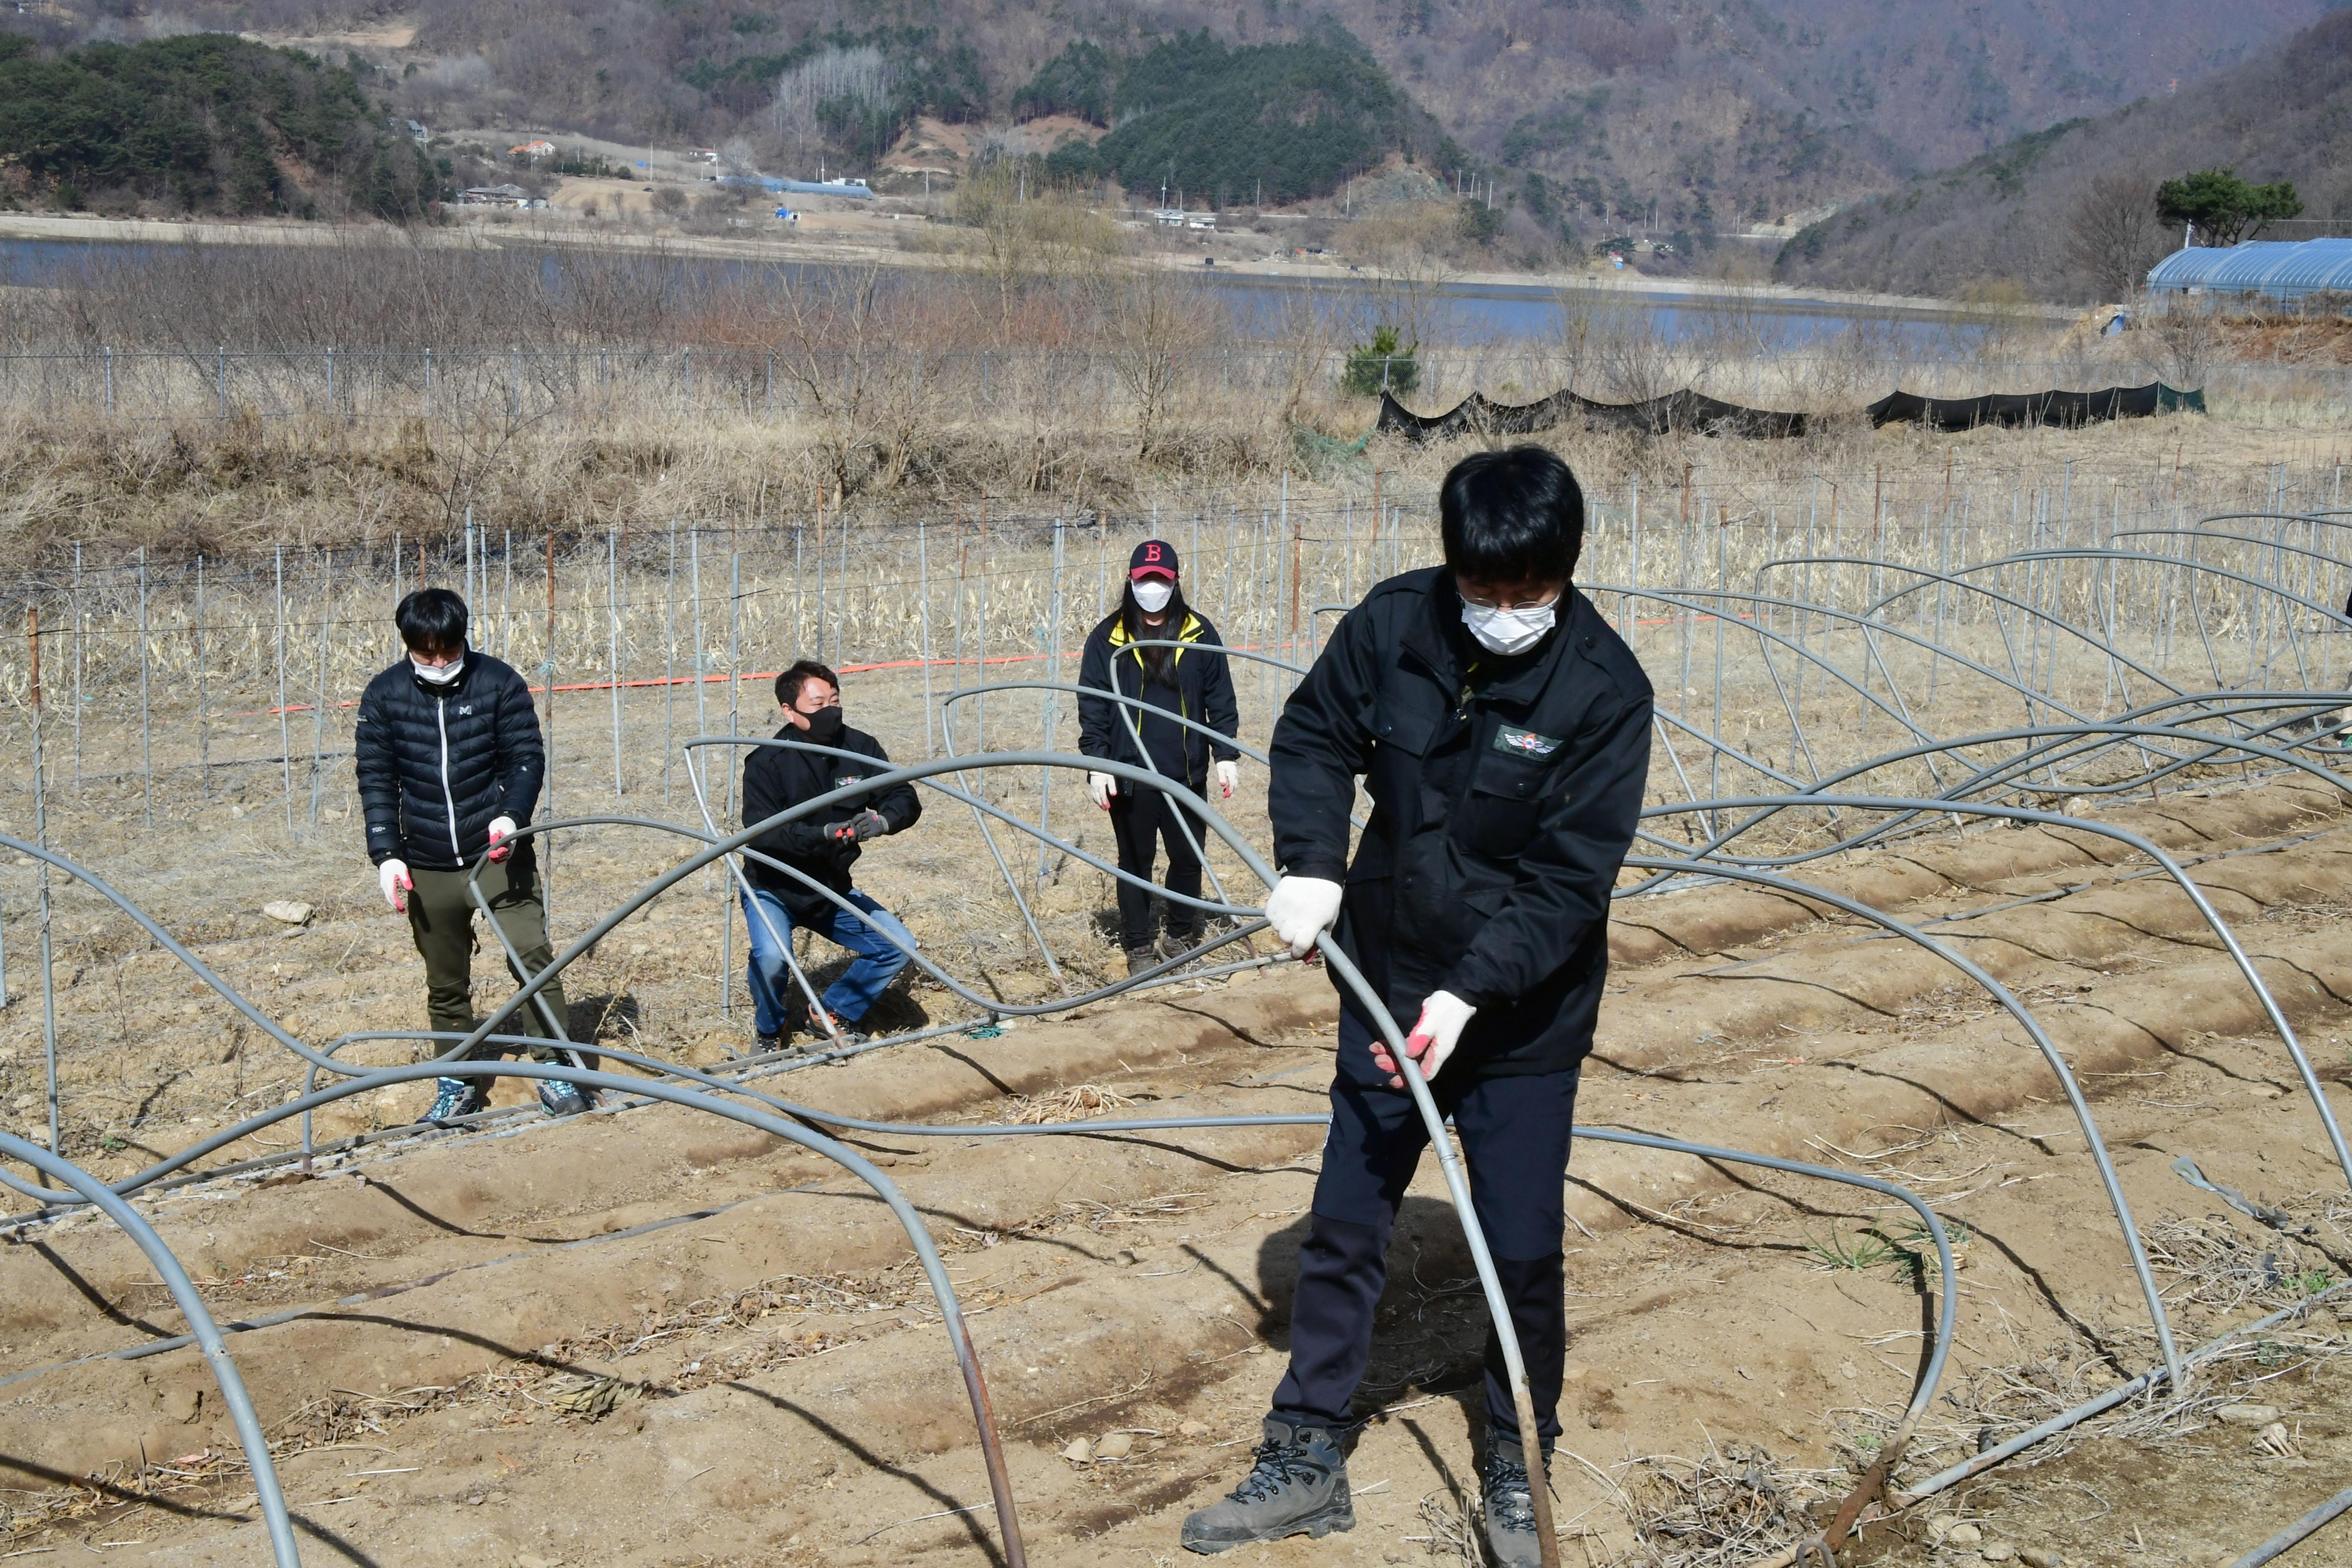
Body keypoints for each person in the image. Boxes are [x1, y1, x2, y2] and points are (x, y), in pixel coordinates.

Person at [1181, 447, 1653, 1565]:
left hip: (1521, 1016)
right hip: (1388, 983)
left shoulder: (1604, 690)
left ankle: (1514, 1452)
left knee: (1521, 1248)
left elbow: (1568, 886)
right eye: (1481, 592)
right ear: (1452, 569)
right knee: (1346, 1225)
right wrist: (1310, 863)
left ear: (1565, 574)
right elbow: (1313, 740)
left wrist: (1470, 996)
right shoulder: (1395, 627)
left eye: (1525, 595)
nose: (1499, 615)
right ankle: (1305, 1452)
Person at [356, 587, 590, 1126]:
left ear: (465, 638)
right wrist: (387, 854)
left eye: (449, 650)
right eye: (426, 653)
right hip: (428, 860)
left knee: (533, 956)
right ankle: (456, 1080)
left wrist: (511, 816)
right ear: (408, 646)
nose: (439, 663)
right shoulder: (385, 695)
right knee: (445, 979)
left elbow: (526, 756)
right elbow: (376, 777)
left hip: (499, 854)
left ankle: (555, 1066)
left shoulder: (497, 682)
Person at [738, 660, 922, 1052]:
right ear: (789, 711)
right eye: (817, 704)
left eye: (834, 701)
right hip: (775, 887)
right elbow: (764, 834)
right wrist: (823, 834)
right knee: (771, 959)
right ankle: (770, 1031)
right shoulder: (767, 763)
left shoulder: (861, 748)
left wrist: (885, 821)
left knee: (898, 945)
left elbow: (902, 796)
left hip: (831, 887)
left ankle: (830, 1012)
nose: (830, 712)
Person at [1077, 540, 1242, 975]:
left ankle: (1180, 934)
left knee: (1188, 857)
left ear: (1175, 582)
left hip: (1186, 772)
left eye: (1161, 580)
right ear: (1131, 582)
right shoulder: (1108, 637)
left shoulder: (1199, 633)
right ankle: (1139, 946)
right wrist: (1097, 761)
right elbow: (1092, 705)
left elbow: (1220, 697)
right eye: (1144, 579)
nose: (1152, 588)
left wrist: (1225, 753)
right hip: (1130, 774)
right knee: (1136, 862)